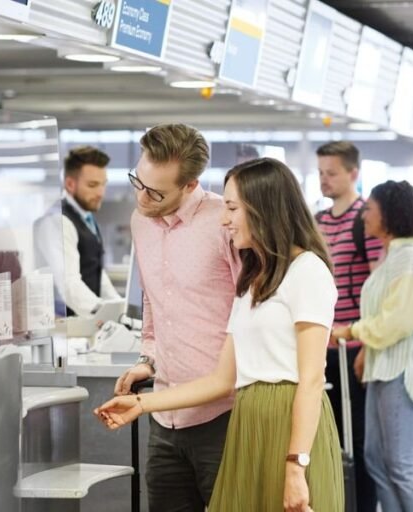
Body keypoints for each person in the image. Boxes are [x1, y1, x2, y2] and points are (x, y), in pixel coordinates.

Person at [96, 157, 344, 511]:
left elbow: (311, 380)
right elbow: (220, 379)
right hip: (248, 422)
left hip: (290, 427)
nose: (224, 219)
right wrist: (141, 404)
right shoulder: (251, 280)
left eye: (231, 208)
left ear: (265, 209)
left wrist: (296, 465)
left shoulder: (308, 272)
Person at [112, 124, 240, 511]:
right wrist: (147, 358)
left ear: (190, 185)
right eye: (138, 181)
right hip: (164, 413)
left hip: (224, 413)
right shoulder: (140, 221)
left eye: (155, 192)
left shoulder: (226, 222)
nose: (142, 197)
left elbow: (251, 309)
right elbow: (154, 297)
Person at [330, 180, 413, 512]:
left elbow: (397, 321)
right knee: (376, 459)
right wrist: (366, 349)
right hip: (383, 367)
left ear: (389, 214)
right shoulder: (393, 255)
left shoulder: (410, 259)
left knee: (402, 465)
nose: (364, 215)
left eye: (370, 209)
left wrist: (349, 332)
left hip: (402, 371)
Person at [313, 140, 381, 512]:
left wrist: (368, 345)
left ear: (354, 173)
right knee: (330, 437)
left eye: (332, 173)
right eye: (321, 173)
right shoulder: (319, 221)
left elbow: (376, 287)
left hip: (353, 347)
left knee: (358, 439)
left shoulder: (364, 221)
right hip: (323, 345)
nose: (325, 180)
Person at [34, 146, 121, 317]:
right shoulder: (57, 221)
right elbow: (69, 284)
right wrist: (105, 312)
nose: (100, 193)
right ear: (70, 184)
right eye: (93, 185)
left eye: (103, 185)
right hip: (64, 325)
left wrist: (119, 307)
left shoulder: (86, 218)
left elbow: (95, 271)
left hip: (85, 321)